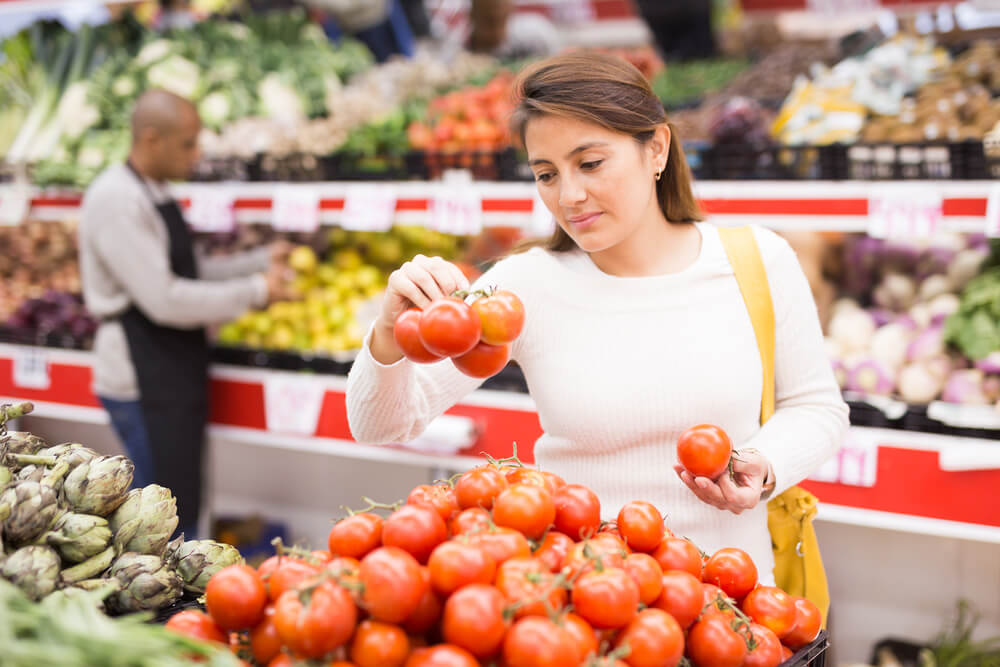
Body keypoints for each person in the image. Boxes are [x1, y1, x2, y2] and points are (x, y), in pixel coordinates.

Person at [346, 52, 849, 581]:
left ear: (656, 148)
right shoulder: (523, 287)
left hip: (733, 604)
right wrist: (387, 336)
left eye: (589, 163)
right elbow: (381, 425)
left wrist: (765, 465)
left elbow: (817, 408)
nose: (569, 196)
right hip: (585, 606)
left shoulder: (760, 261)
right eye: (546, 174)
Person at [79, 89, 283, 537]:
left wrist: (260, 261)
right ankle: (165, 606)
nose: (198, 153)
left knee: (182, 498)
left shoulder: (151, 190)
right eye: (189, 143)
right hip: (141, 375)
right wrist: (256, 290)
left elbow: (188, 269)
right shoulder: (116, 198)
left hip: (169, 365)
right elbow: (165, 298)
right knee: (161, 517)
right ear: (153, 139)